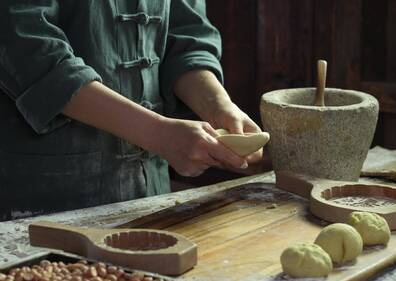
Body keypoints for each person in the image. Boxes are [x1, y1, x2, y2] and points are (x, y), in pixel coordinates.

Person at [0, 1, 263, 220]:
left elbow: (185, 36)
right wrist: (158, 133)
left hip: (151, 192)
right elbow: (27, 45)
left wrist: (218, 105)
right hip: (44, 197)